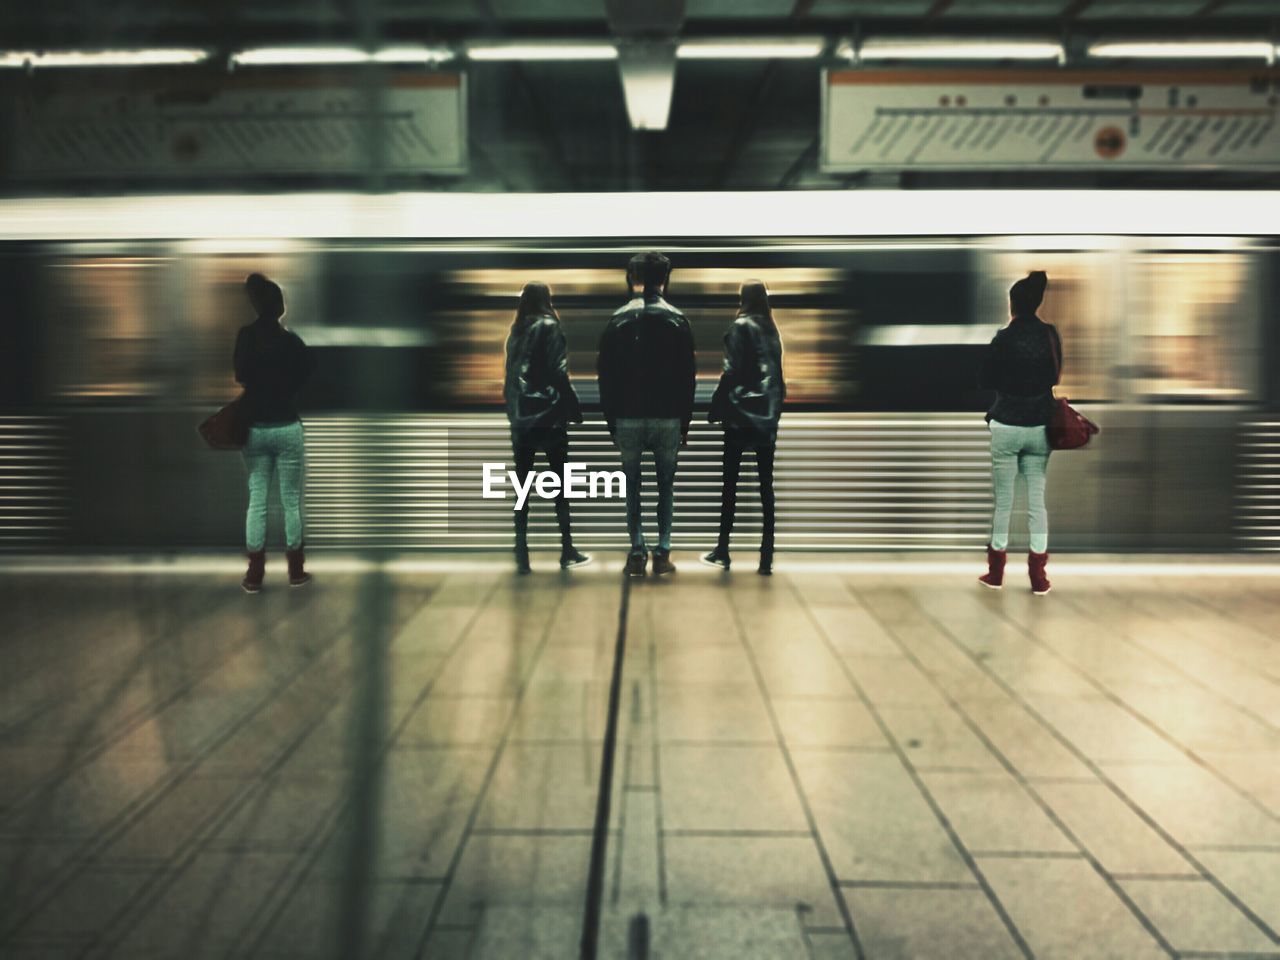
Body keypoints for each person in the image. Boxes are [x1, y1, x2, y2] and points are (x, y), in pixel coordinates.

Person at [597, 252, 696, 578]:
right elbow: (687, 377)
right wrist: (685, 420)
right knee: (665, 486)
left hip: (628, 416)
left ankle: (637, 551)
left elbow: (606, 376)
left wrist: (611, 419)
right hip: (667, 416)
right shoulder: (678, 320)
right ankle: (663, 551)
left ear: (633, 278)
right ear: (664, 279)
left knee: (632, 486)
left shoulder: (618, 320)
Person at [978, 270, 1059, 595]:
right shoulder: (1050, 335)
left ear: (1013, 304)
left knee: (1004, 504)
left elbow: (986, 378)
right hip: (1039, 426)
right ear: (1037, 303)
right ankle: (1038, 578)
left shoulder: (1003, 338)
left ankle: (996, 574)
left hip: (1007, 426)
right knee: (1037, 504)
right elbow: (1055, 374)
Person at [234, 273, 316, 593]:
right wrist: (287, 390)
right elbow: (309, 372)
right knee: (291, 502)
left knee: (257, 501)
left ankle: (254, 574)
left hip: (256, 428)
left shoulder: (246, 337)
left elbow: (240, 374)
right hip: (287, 426)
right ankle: (296, 571)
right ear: (279, 306)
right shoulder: (291, 341)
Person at [504, 281, 591, 574]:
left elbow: (510, 380)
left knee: (523, 488)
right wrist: (573, 407)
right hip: (548, 418)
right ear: (546, 300)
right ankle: (567, 549)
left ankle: (521, 553)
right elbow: (558, 371)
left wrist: (514, 415)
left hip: (521, 422)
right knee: (560, 488)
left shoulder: (515, 333)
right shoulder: (549, 326)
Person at [701, 280, 786, 575]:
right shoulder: (772, 330)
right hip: (767, 420)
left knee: (730, 487)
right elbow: (776, 378)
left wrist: (716, 407)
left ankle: (723, 550)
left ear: (743, 299)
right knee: (766, 489)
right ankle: (766, 558)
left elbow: (731, 371)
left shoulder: (740, 327)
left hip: (740, 418)